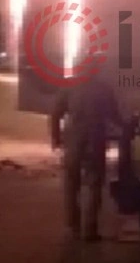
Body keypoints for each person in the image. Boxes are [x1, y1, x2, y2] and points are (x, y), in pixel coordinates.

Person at [49, 60, 123, 242]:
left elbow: (55, 115)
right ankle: (90, 230)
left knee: (71, 185)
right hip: (95, 143)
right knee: (94, 185)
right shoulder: (103, 89)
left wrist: (56, 139)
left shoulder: (68, 87)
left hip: (73, 142)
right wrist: (129, 129)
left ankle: (72, 227)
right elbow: (114, 117)